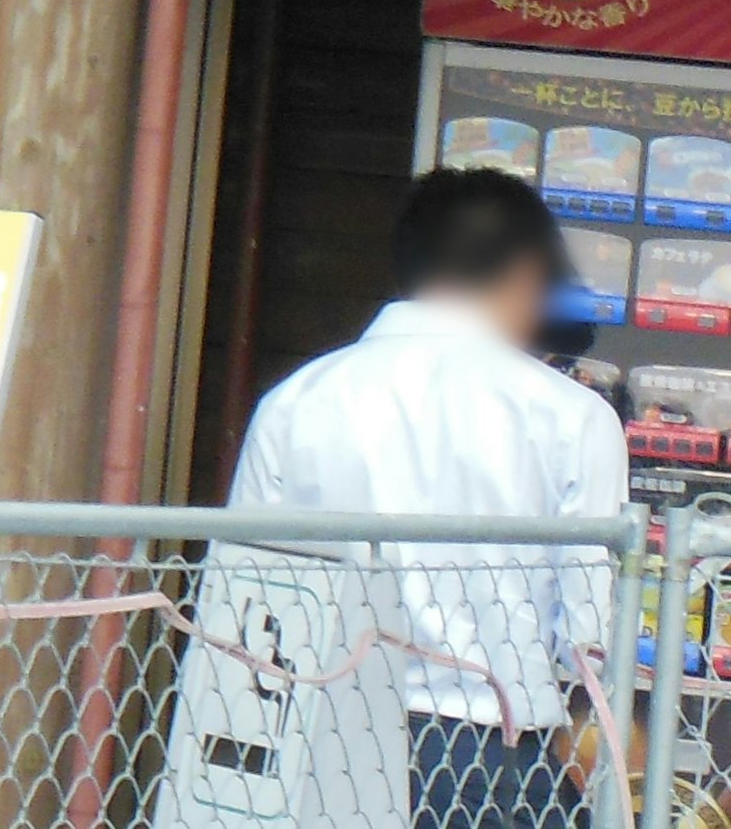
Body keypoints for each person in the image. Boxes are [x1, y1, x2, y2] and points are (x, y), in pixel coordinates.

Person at [230, 165, 629, 829]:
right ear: (528, 273)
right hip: (490, 754)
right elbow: (586, 638)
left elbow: (246, 600)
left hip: (315, 739)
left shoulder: (293, 402)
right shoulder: (573, 416)